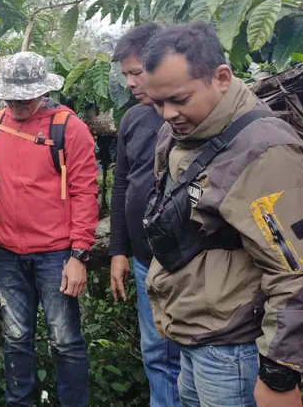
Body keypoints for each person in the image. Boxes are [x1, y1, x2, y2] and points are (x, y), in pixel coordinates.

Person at [140, 22, 303, 407]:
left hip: (236, 352)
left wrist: (279, 373)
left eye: (179, 99)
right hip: (194, 335)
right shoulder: (181, 133)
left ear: (221, 77)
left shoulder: (264, 151)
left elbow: (302, 271)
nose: (167, 114)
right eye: (158, 103)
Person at [0, 51, 99, 407]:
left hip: (55, 253)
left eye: (25, 96)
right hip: (8, 253)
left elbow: (84, 191)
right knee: (16, 337)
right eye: (11, 96)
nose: (17, 103)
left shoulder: (67, 127)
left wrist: (79, 253)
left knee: (64, 339)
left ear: (42, 91)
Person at [108, 23, 181, 406]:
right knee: (156, 351)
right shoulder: (134, 119)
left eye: (137, 72)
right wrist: (118, 249)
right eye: (126, 76)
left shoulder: (188, 115)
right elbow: (122, 185)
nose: (131, 83)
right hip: (143, 260)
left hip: (190, 262)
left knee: (194, 354)